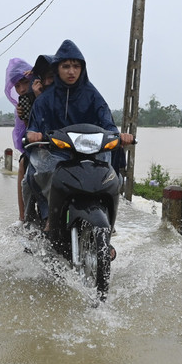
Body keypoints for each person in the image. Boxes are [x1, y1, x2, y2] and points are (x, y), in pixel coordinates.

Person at [24, 40, 134, 231]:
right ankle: (50, 214)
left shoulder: (92, 94)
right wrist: (33, 134)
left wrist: (119, 135)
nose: (71, 71)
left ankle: (109, 223)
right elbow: (33, 126)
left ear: (82, 68)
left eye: (76, 66)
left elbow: (107, 122)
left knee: (109, 173)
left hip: (90, 153)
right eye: (66, 66)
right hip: (57, 153)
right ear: (57, 68)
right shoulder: (44, 100)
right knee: (37, 172)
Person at [2, 57, 34, 221]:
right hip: (38, 147)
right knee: (22, 164)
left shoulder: (50, 93)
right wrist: (24, 119)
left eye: (25, 82)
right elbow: (23, 136)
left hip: (62, 144)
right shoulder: (22, 107)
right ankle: (23, 217)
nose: (22, 89)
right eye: (17, 86)